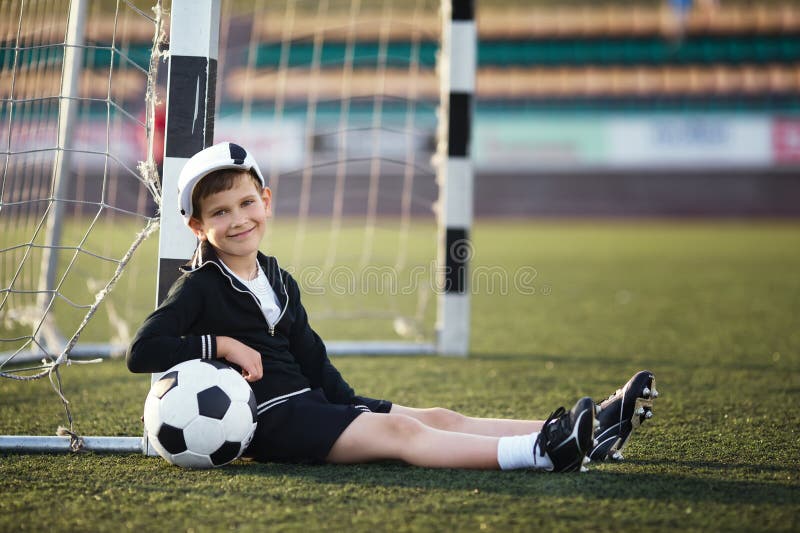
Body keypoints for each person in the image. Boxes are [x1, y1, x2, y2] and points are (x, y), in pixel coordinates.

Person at [127, 142, 657, 472]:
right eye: (220, 212)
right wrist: (221, 344)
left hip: (312, 406)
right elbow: (143, 349)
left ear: (266, 201)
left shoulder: (279, 278)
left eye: (246, 203)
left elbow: (312, 358)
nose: (238, 219)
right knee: (403, 435)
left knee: (436, 416)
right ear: (198, 227)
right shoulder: (199, 286)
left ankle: (591, 436)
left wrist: (353, 406)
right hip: (271, 422)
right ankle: (541, 453)